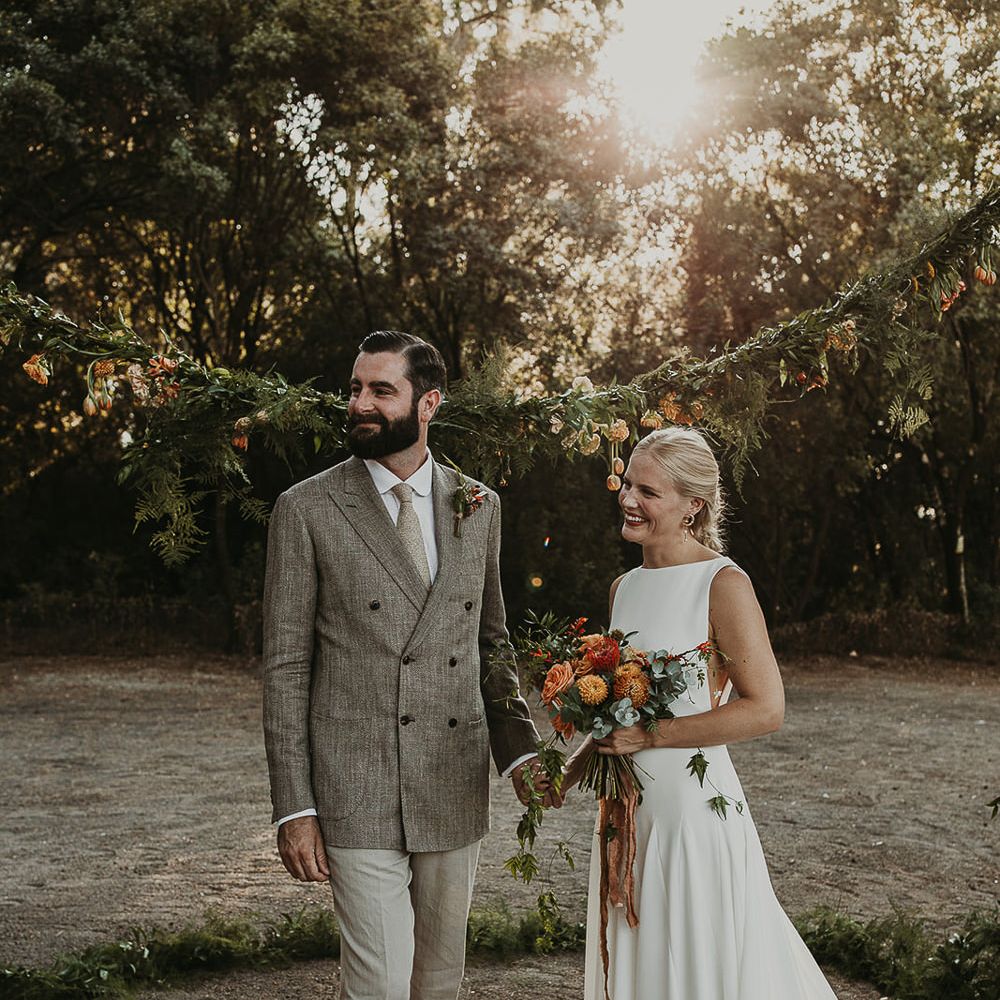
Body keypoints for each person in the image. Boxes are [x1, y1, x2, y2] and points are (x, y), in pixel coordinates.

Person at [262, 330, 555, 1000]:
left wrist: (519, 752)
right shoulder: (306, 508)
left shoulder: (479, 505)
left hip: (451, 774)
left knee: (439, 980)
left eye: (380, 390)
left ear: (428, 404)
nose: (359, 404)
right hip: (354, 782)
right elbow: (285, 668)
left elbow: (490, 641)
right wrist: (294, 807)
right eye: (354, 389)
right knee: (379, 985)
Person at [563, 426, 837, 1000]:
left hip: (692, 812)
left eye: (649, 492)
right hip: (627, 813)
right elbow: (620, 712)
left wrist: (651, 736)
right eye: (628, 484)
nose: (629, 499)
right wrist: (568, 771)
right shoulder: (624, 587)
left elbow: (766, 709)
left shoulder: (723, 583)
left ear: (693, 506)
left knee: (696, 964)